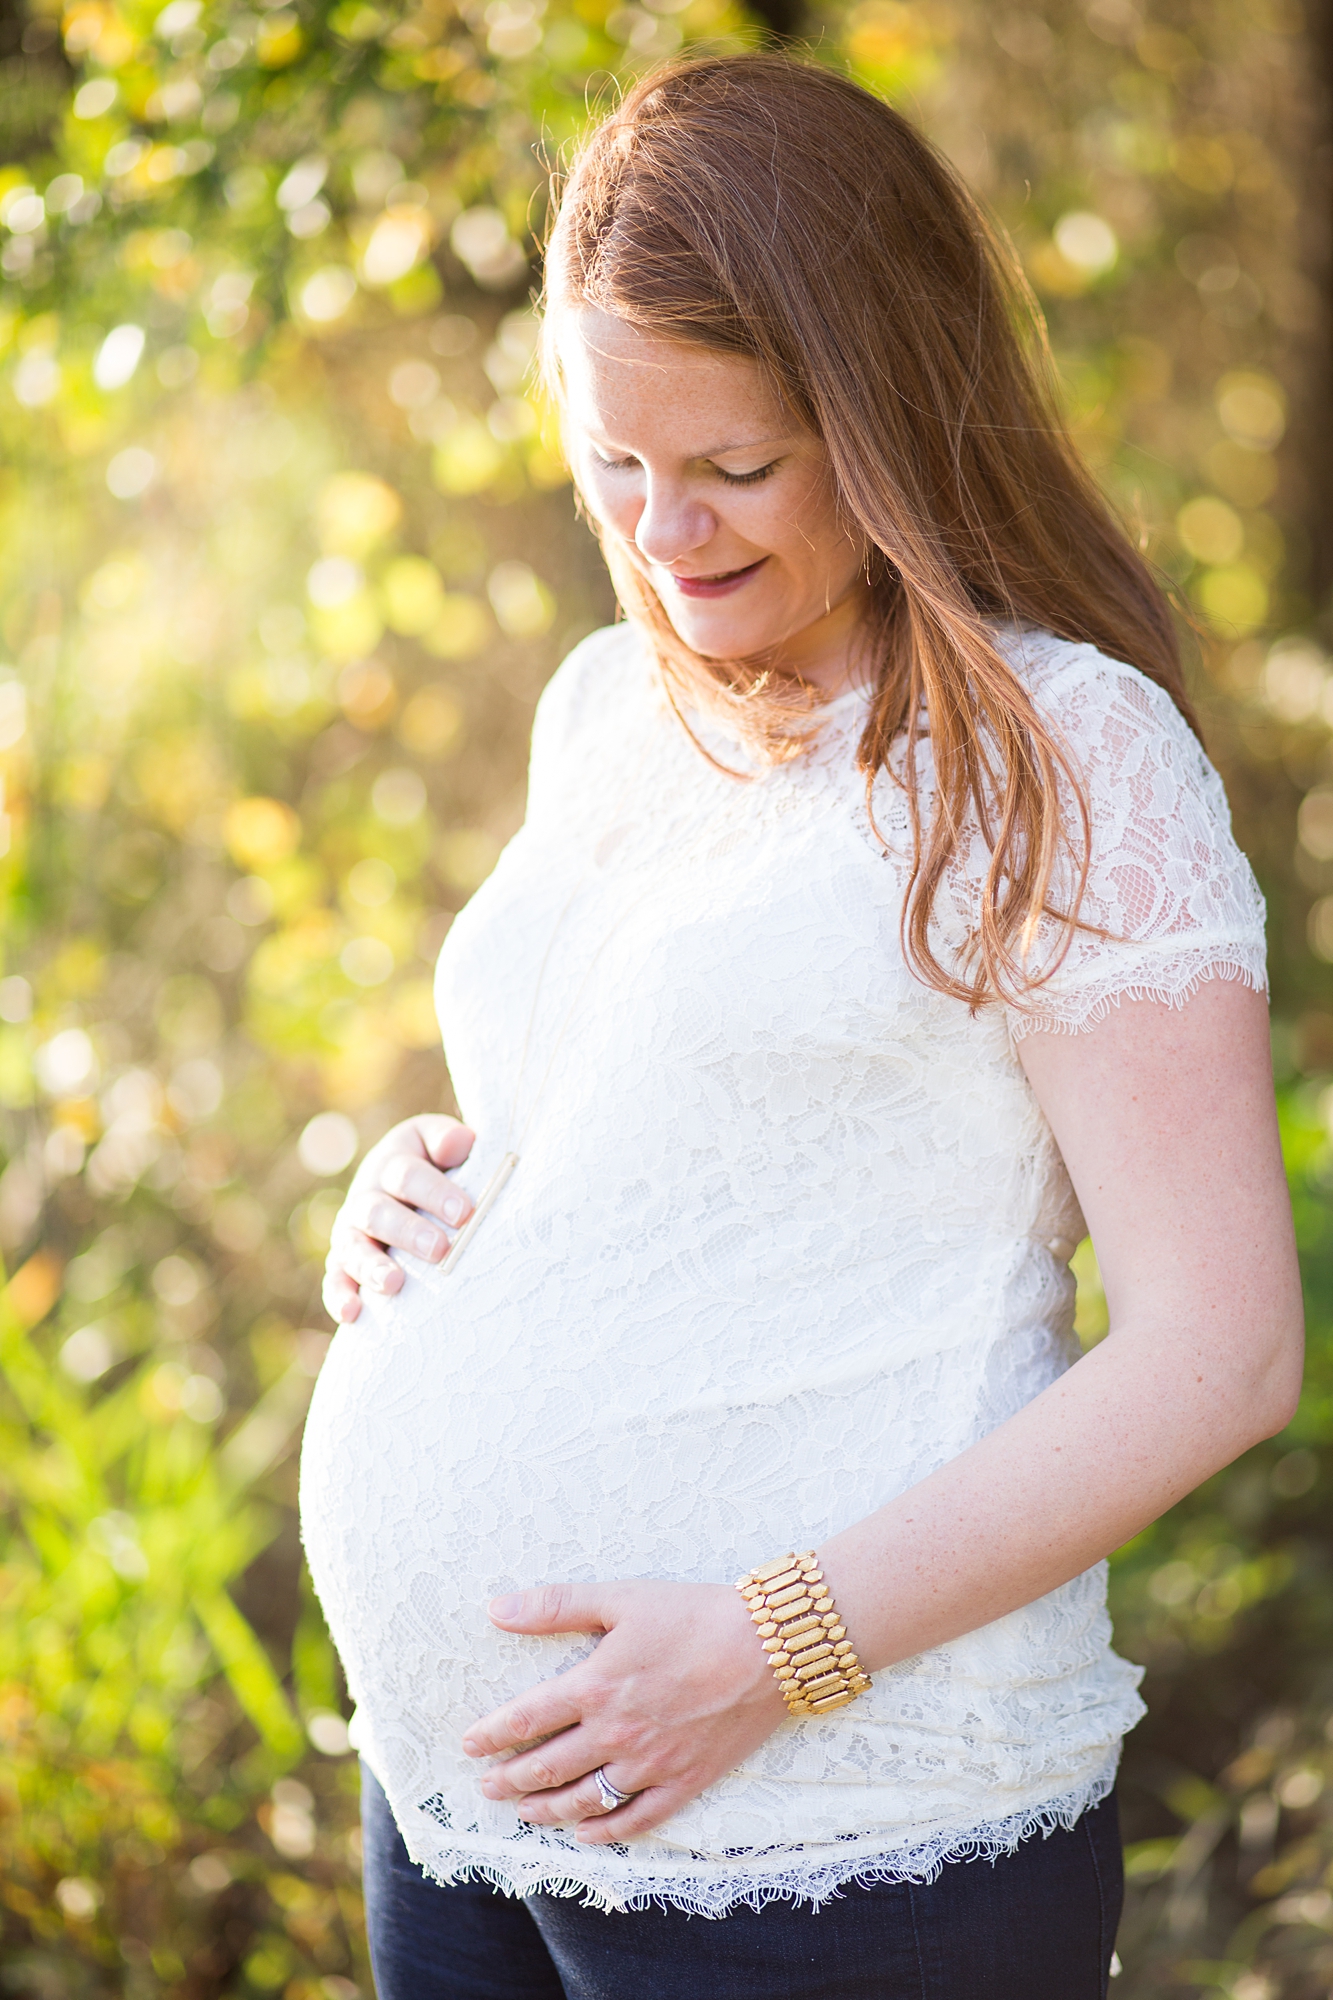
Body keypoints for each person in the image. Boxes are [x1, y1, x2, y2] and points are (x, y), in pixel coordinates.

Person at [299, 53, 1303, 2000]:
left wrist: (771, 1644)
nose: (664, 533)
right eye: (614, 466)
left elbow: (1220, 1348)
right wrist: (412, 1190)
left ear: (886, 408)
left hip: (839, 1849)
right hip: (459, 1812)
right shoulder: (604, 702)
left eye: (734, 468)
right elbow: (639, 1137)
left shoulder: (1062, 758)